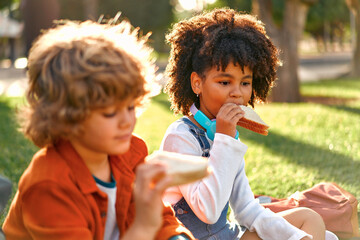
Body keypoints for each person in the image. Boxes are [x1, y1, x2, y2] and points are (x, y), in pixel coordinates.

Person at [2, 19, 194, 240]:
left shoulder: (131, 153)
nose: (126, 122)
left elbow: (161, 220)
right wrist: (144, 228)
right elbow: (146, 224)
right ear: (66, 115)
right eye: (110, 113)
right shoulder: (49, 184)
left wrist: (174, 237)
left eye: (130, 106)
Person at [160, 8, 338, 240]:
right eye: (224, 82)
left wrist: (297, 237)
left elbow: (247, 210)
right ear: (197, 83)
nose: (237, 93)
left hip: (229, 235)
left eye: (245, 83)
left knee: (311, 221)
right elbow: (209, 212)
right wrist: (224, 139)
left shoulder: (226, 136)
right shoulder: (180, 137)